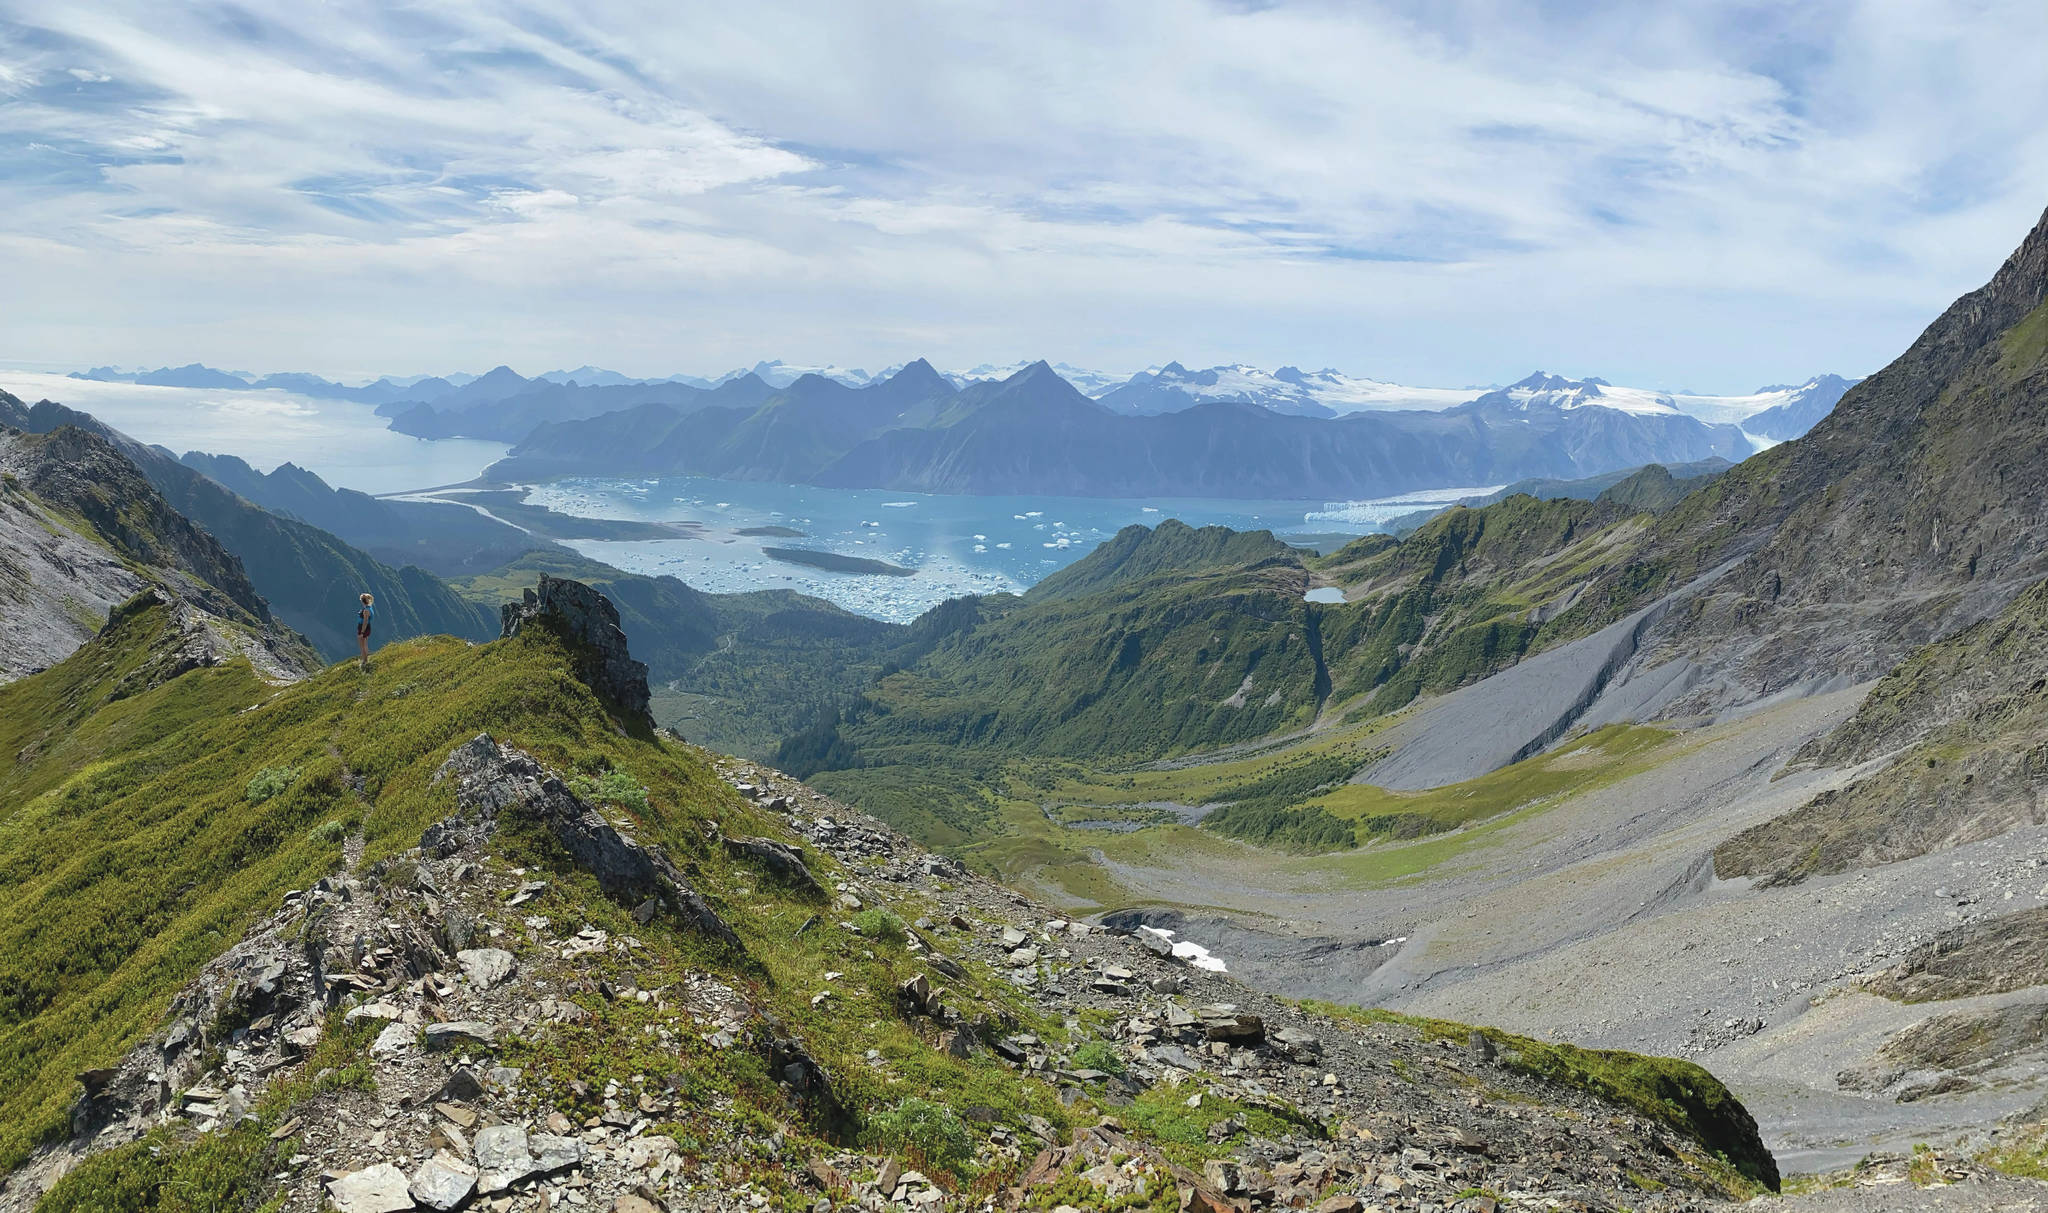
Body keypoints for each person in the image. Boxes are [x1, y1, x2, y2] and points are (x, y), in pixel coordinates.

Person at [355, 592, 375, 670]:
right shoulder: (369, 608)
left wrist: (362, 632)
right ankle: (365, 660)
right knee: (365, 644)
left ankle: (364, 661)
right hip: (367, 627)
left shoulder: (366, 610)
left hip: (363, 628)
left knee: (362, 645)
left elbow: (365, 621)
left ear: (362, 601)